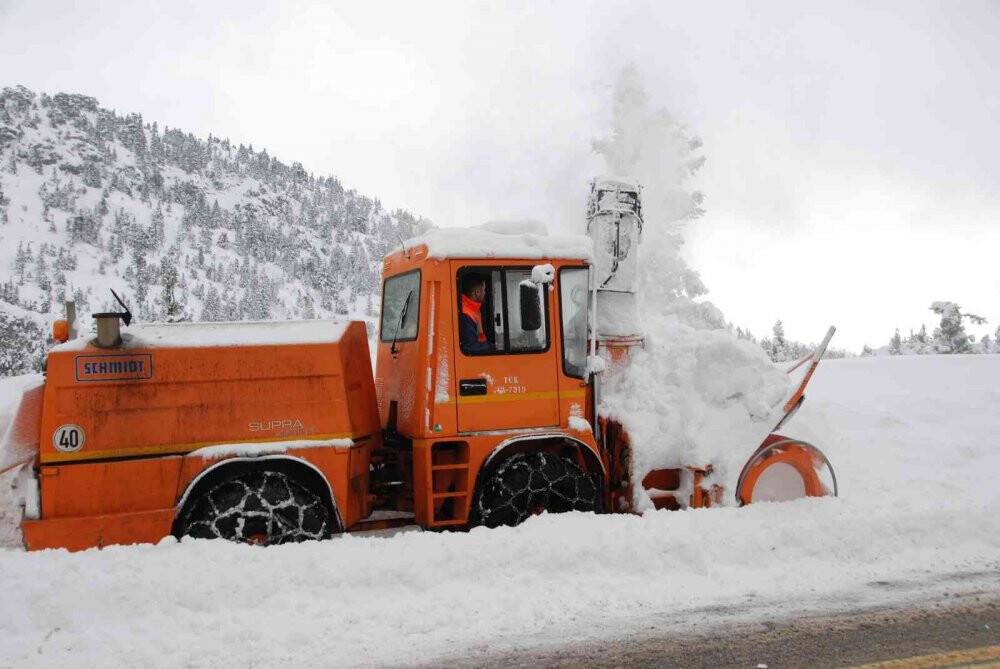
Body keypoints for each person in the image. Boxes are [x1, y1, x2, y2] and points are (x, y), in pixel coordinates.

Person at [459, 275, 492, 353]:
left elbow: (480, 338)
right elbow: (472, 347)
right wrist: (495, 348)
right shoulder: (465, 314)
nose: (485, 293)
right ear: (477, 292)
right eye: (484, 290)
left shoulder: (474, 309)